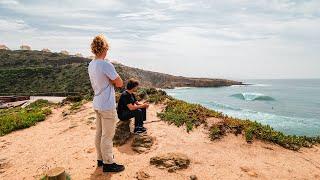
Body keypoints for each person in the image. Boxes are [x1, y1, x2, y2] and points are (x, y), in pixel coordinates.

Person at [88, 34, 125, 173]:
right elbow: (120, 83)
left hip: (97, 102)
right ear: (105, 48)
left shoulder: (91, 64)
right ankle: (109, 163)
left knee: (99, 133)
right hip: (107, 104)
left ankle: (100, 159)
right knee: (107, 135)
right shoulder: (105, 64)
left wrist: (109, 81)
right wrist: (111, 81)